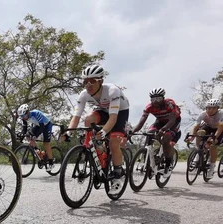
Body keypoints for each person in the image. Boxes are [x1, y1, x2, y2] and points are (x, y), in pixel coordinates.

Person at [67, 64, 130, 195]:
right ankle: (94, 153)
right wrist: (68, 132)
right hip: (102, 110)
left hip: (119, 112)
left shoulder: (113, 91)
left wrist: (104, 132)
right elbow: (76, 116)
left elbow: (113, 118)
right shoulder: (84, 94)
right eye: (85, 81)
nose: (88, 85)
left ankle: (118, 174)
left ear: (101, 81)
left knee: (113, 143)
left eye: (92, 81)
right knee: (88, 120)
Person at [132, 87, 181, 179]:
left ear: (163, 98)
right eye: (153, 99)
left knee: (166, 139)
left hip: (173, 122)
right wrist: (132, 131)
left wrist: (163, 130)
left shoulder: (169, 104)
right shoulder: (149, 107)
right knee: (149, 133)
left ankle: (168, 164)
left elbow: (172, 120)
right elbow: (140, 123)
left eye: (158, 98)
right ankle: (148, 158)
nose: (156, 101)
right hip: (160, 121)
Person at [187, 98, 223, 179]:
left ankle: (212, 167)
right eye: (209, 108)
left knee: (213, 144)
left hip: (219, 129)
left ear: (217, 109)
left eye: (213, 108)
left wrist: (213, 138)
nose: (210, 110)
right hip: (208, 126)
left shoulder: (221, 114)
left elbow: (220, 128)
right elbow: (196, 125)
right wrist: (192, 136)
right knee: (199, 133)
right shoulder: (203, 114)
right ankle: (198, 153)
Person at [17, 104, 55, 169]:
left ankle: (51, 162)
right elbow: (24, 129)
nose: (22, 117)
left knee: (46, 143)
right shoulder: (24, 118)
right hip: (38, 125)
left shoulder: (36, 113)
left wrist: (35, 136)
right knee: (29, 135)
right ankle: (39, 152)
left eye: (23, 116)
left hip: (47, 125)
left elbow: (42, 127)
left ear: (27, 112)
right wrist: (22, 135)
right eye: (21, 116)